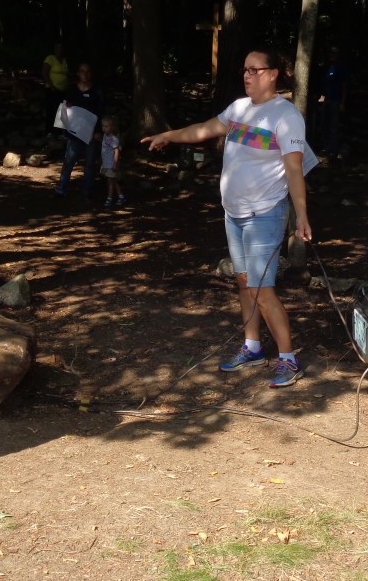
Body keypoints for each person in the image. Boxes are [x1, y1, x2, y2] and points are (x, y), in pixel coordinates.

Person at [142, 49, 315, 388]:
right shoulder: (238, 109)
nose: (247, 75)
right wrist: (168, 135)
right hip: (234, 213)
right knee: (244, 282)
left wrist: (302, 216)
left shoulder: (286, 116)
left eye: (254, 70)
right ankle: (252, 347)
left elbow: (295, 169)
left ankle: (289, 360)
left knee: (261, 289)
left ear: (273, 74)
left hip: (265, 213)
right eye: (245, 70)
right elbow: (203, 129)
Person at [55, 62, 104, 199]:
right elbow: (64, 109)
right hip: (74, 133)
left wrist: (98, 132)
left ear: (91, 73)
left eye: (87, 71)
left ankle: (86, 192)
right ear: (78, 73)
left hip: (91, 133)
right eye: (82, 71)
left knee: (89, 163)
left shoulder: (97, 91)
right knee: (69, 161)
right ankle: (60, 189)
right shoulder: (72, 90)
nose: (85, 74)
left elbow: (101, 112)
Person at [316, 46, 348, 156]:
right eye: (330, 54)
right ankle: (325, 147)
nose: (332, 56)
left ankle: (333, 149)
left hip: (336, 100)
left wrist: (342, 102)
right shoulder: (328, 68)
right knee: (325, 123)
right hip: (327, 100)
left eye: (334, 54)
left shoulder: (340, 68)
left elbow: (344, 86)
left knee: (334, 126)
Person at [41, 41, 68, 129]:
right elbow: (44, 72)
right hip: (52, 89)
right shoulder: (50, 58)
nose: (59, 49)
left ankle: (59, 131)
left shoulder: (64, 60)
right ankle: (49, 131)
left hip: (63, 90)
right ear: (54, 49)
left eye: (61, 48)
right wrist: (52, 86)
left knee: (61, 111)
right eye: (57, 48)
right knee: (51, 111)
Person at [100, 116, 126, 207]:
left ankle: (109, 198)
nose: (104, 128)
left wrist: (115, 164)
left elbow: (116, 152)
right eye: (103, 126)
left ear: (112, 127)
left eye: (106, 126)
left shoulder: (114, 139)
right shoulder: (105, 136)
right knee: (113, 181)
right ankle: (121, 196)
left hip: (111, 164)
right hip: (106, 163)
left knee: (110, 182)